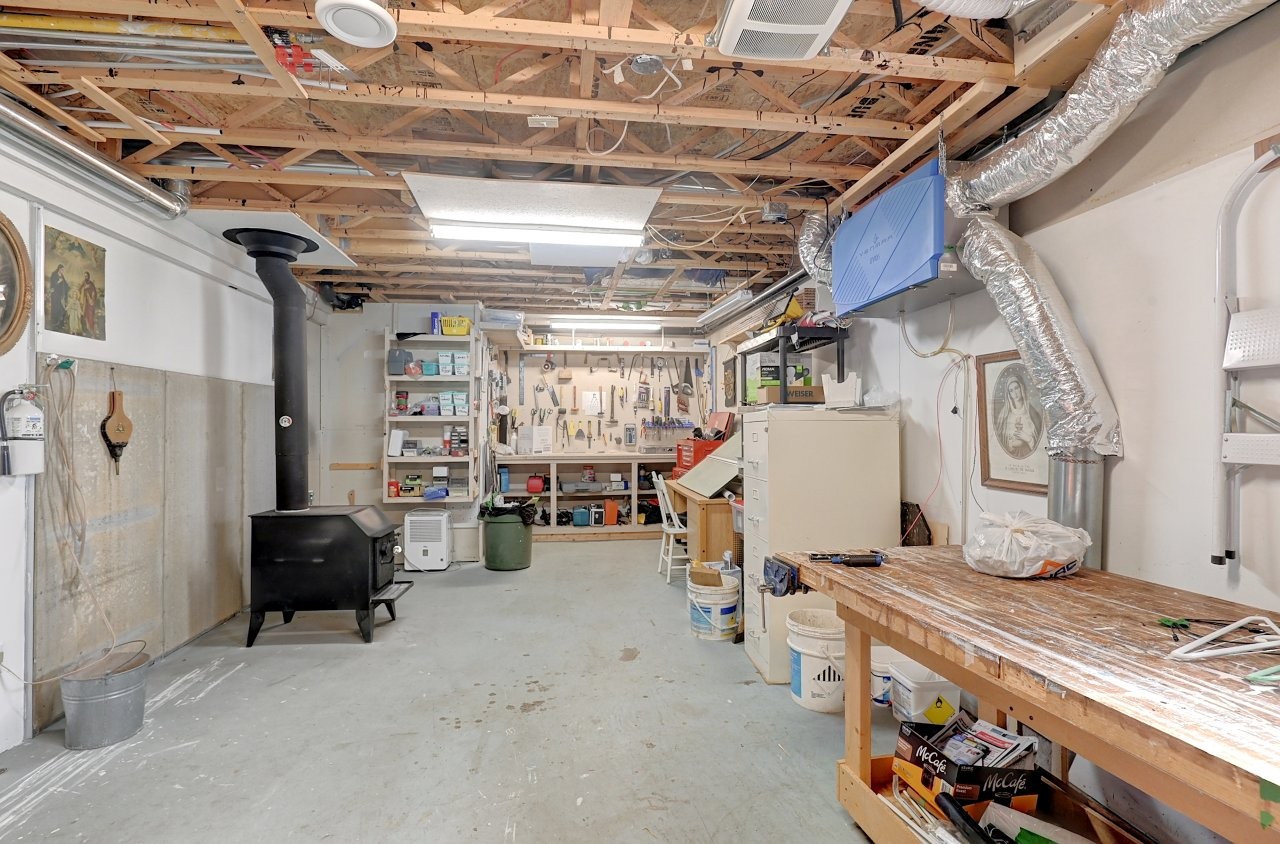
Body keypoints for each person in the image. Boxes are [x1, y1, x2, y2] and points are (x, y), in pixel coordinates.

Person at [995, 373, 1042, 459]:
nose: (1015, 393)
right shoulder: (1005, 416)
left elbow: (1040, 446)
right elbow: (1000, 444)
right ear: (1009, 394)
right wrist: (1011, 444)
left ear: (1021, 388)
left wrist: (1028, 439)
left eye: (1016, 388)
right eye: (1011, 390)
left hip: (1031, 459)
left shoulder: (1032, 414)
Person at [48, 263, 68, 332]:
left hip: (59, 295)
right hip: (55, 294)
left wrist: (68, 287)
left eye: (63, 270)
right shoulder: (54, 274)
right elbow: (52, 284)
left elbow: (65, 284)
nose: (62, 271)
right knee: (55, 308)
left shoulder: (62, 276)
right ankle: (54, 322)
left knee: (60, 308)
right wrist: (58, 282)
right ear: (59, 269)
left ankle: (59, 323)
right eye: (62, 269)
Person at [80, 272, 98, 337]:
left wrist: (91, 299)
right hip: (84, 302)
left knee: (90, 317)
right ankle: (85, 331)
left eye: (86, 276)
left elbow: (94, 292)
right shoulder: (83, 283)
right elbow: (80, 289)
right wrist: (83, 288)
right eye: (84, 276)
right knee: (84, 316)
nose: (85, 277)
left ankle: (91, 331)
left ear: (88, 276)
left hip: (90, 303)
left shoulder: (91, 283)